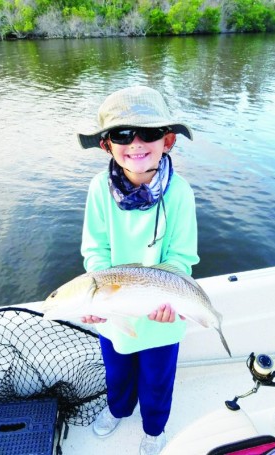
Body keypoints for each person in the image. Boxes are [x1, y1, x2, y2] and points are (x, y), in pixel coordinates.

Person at [78, 85, 199, 455]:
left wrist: (171, 300)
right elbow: (95, 251)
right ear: (107, 145)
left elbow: (181, 258)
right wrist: (97, 295)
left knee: (157, 378)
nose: (136, 143)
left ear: (169, 140)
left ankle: (154, 427)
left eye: (148, 133)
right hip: (115, 310)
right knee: (116, 369)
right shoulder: (99, 189)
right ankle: (117, 410)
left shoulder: (180, 193)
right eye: (122, 134)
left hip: (164, 313)